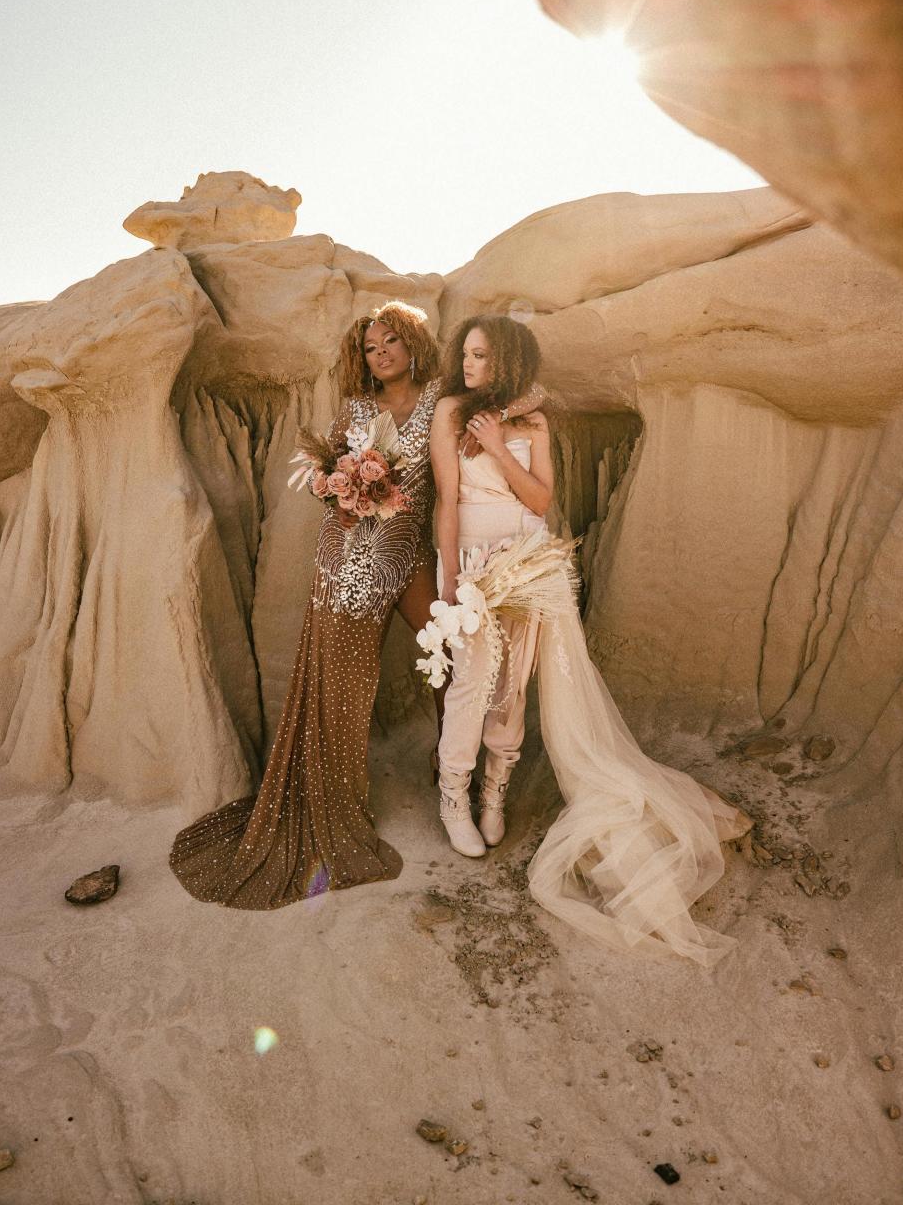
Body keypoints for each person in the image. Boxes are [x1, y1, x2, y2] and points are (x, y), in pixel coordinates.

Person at [429, 314, 752, 965]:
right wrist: (448, 579)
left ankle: (496, 789)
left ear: (509, 361)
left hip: (528, 558)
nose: (468, 365)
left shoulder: (533, 423)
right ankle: (454, 799)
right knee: (470, 681)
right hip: (472, 561)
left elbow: (541, 498)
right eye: (465, 354)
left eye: (481, 356)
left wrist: (498, 445)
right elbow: (446, 498)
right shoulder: (450, 412)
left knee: (514, 685)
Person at [169, 301, 444, 907]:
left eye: (391, 341)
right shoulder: (357, 409)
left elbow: (493, 415)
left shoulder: (441, 399)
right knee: (344, 678)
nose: (382, 355)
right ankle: (332, 801)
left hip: (413, 548)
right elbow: (333, 483)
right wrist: (341, 493)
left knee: (447, 651)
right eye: (371, 347)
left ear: (414, 343)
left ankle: (452, 767)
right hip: (350, 557)